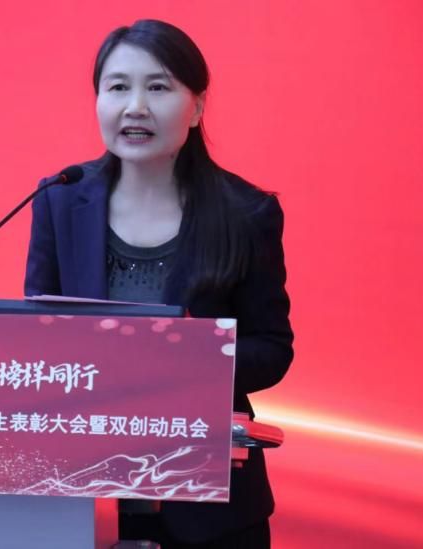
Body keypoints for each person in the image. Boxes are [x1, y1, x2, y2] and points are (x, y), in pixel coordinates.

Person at [24, 19, 294, 548]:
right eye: (118, 87)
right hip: (85, 486)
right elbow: (39, 335)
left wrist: (191, 356)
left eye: (158, 87)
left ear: (196, 108)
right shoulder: (59, 199)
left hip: (207, 499)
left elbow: (273, 349)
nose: (136, 107)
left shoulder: (246, 213)